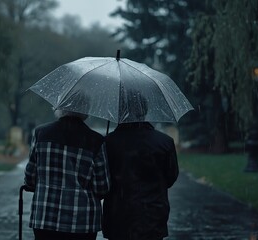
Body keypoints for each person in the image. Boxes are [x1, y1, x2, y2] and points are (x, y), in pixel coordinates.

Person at [24, 103, 110, 240]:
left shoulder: (41, 133)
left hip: (45, 218)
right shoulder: (96, 140)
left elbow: (30, 177)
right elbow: (102, 188)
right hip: (82, 223)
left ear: (59, 106)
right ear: (86, 110)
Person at [102, 90, 179, 240]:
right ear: (144, 111)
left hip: (118, 215)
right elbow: (171, 177)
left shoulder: (109, 142)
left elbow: (104, 180)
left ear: (120, 112)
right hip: (152, 214)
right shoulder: (164, 142)